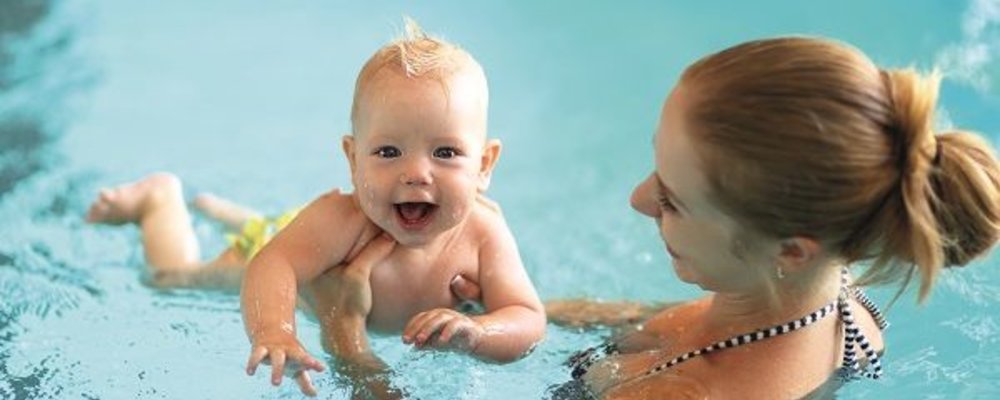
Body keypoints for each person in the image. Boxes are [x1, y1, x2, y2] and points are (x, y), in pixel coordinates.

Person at [323, 36, 1000, 399]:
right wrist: (508, 312)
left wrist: (346, 339)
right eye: (657, 167)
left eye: (673, 199)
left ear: (791, 250)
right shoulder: (839, 298)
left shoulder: (677, 396)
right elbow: (681, 323)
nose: (638, 199)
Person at [87, 18, 546, 397]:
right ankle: (159, 201)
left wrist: (479, 333)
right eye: (388, 152)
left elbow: (525, 316)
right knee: (173, 278)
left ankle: (227, 211)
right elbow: (273, 263)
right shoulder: (343, 220)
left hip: (307, 237)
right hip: (290, 241)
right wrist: (274, 329)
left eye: (445, 152)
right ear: (353, 160)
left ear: (484, 165)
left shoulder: (484, 232)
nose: (416, 173)